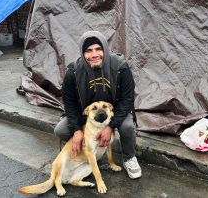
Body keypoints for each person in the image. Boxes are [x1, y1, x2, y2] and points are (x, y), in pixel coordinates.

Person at [54, 30, 142, 179]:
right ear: (83, 53)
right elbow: (69, 103)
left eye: (98, 49)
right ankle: (80, 152)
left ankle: (129, 157)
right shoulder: (73, 72)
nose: (94, 54)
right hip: (86, 113)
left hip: (113, 111)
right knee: (61, 130)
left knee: (127, 127)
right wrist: (76, 130)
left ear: (105, 49)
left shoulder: (120, 66)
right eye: (88, 51)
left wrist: (111, 126)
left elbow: (127, 98)